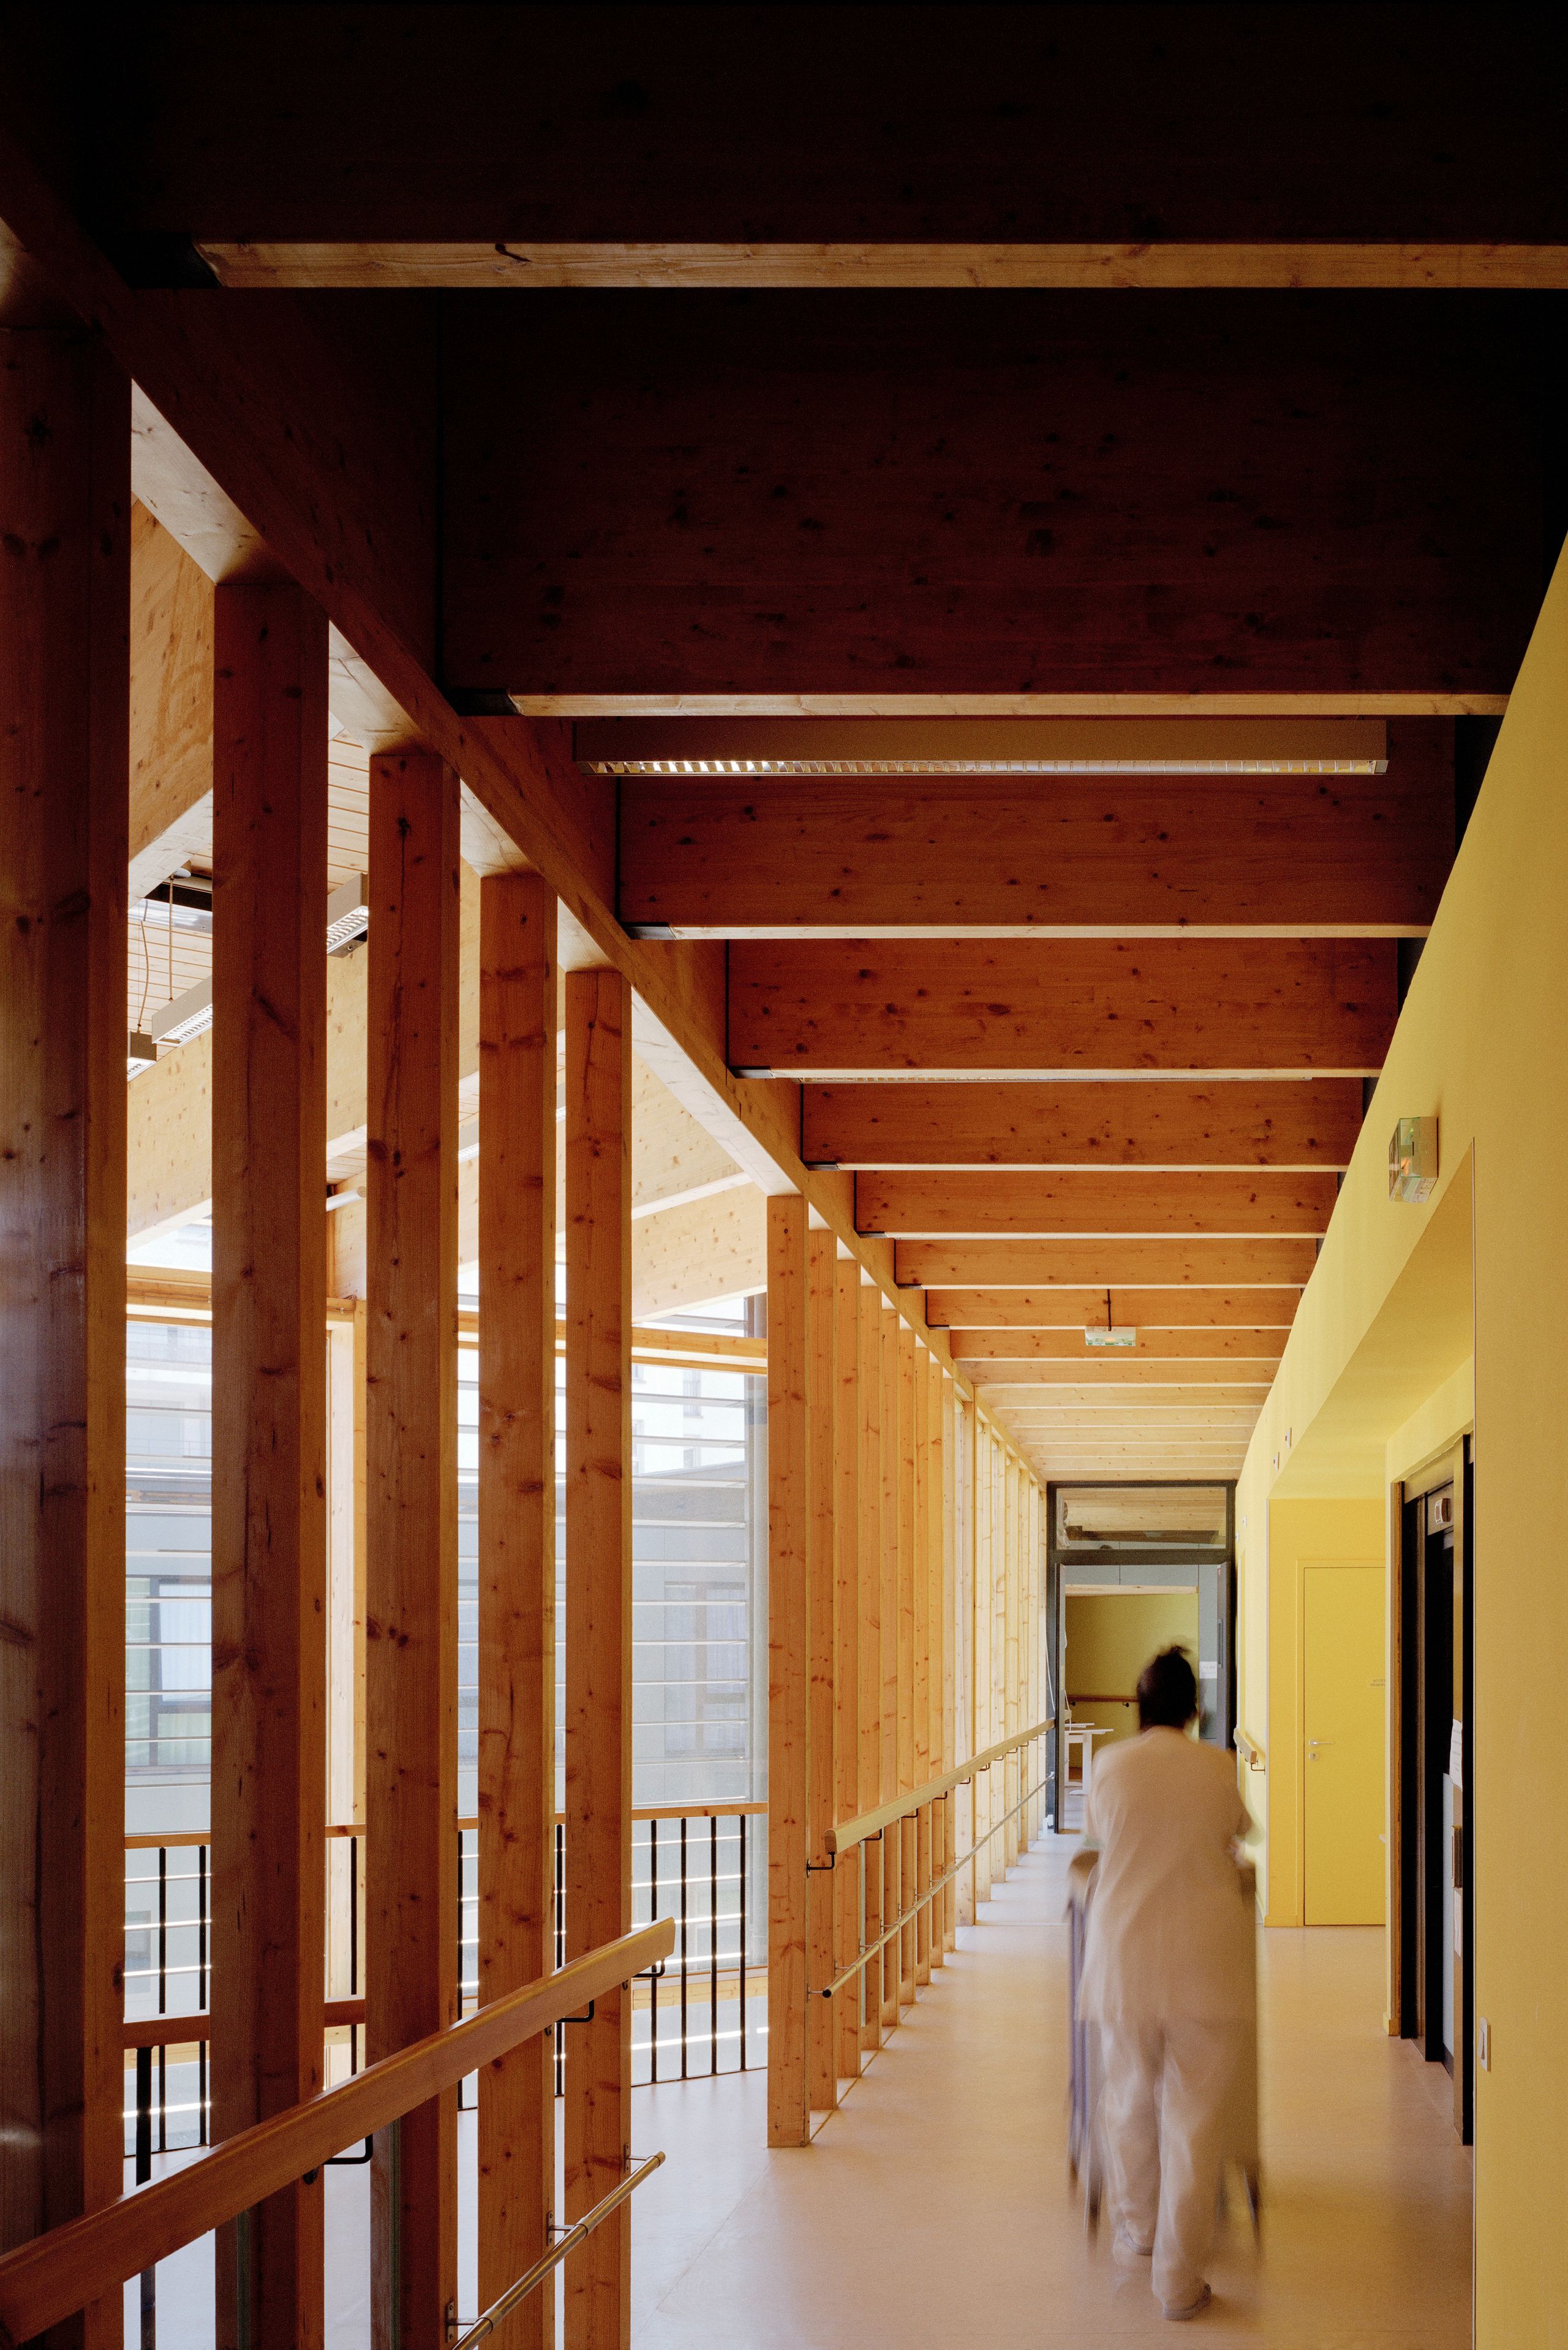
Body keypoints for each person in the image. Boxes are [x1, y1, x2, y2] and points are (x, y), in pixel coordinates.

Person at [1078, 1646, 1253, 2322]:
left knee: (1128, 2097)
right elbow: (1237, 1831)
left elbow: (1100, 1836)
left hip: (1124, 1958)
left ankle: (1140, 2231)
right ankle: (1179, 2284)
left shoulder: (1108, 1766)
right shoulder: (1218, 1765)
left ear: (1138, 1705)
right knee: (1194, 2117)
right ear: (1193, 1709)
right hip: (1203, 1963)